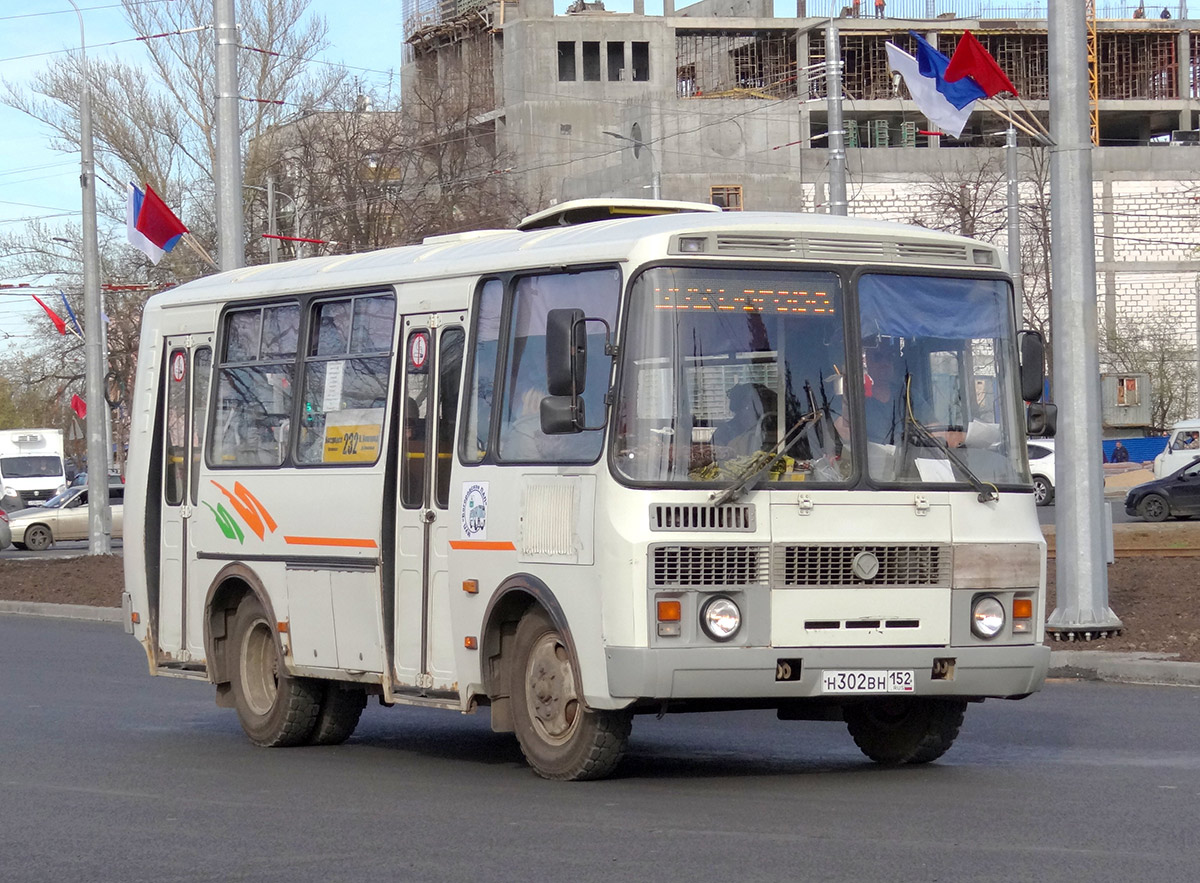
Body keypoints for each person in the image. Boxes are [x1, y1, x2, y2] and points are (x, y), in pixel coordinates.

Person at [712, 383, 775, 457]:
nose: (757, 411)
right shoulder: (724, 433)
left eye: (761, 406)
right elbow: (715, 460)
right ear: (738, 409)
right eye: (748, 407)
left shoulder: (776, 430)